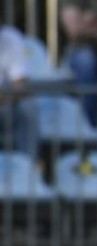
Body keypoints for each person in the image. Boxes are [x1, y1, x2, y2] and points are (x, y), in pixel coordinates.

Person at [0, 21, 36, 154]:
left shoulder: (10, 38)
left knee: (27, 108)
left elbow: (20, 85)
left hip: (3, 107)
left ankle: (29, 169)